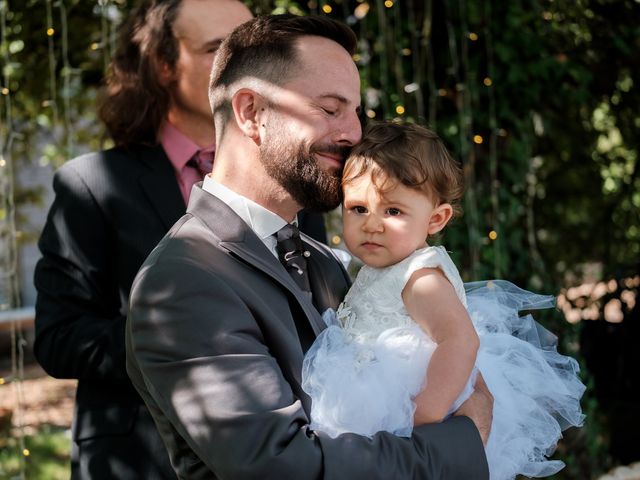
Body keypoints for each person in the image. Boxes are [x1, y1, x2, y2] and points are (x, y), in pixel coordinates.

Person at [126, 14, 493, 479]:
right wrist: (461, 439)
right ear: (251, 112)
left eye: (355, 111)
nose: (354, 133)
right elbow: (286, 467)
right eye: (330, 108)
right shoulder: (183, 281)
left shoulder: (322, 258)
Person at [31, 1, 279, 478]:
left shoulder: (285, 176)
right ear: (164, 65)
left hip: (275, 451)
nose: (247, 66)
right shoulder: (92, 185)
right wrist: (177, 335)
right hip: (140, 458)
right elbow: (58, 337)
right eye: (218, 49)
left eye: (257, 48)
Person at [302, 121, 586, 480]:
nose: (373, 224)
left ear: (436, 219)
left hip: (411, 400)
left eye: (393, 212)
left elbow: (460, 339)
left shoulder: (420, 278)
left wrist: (425, 414)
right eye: (359, 208)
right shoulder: (387, 266)